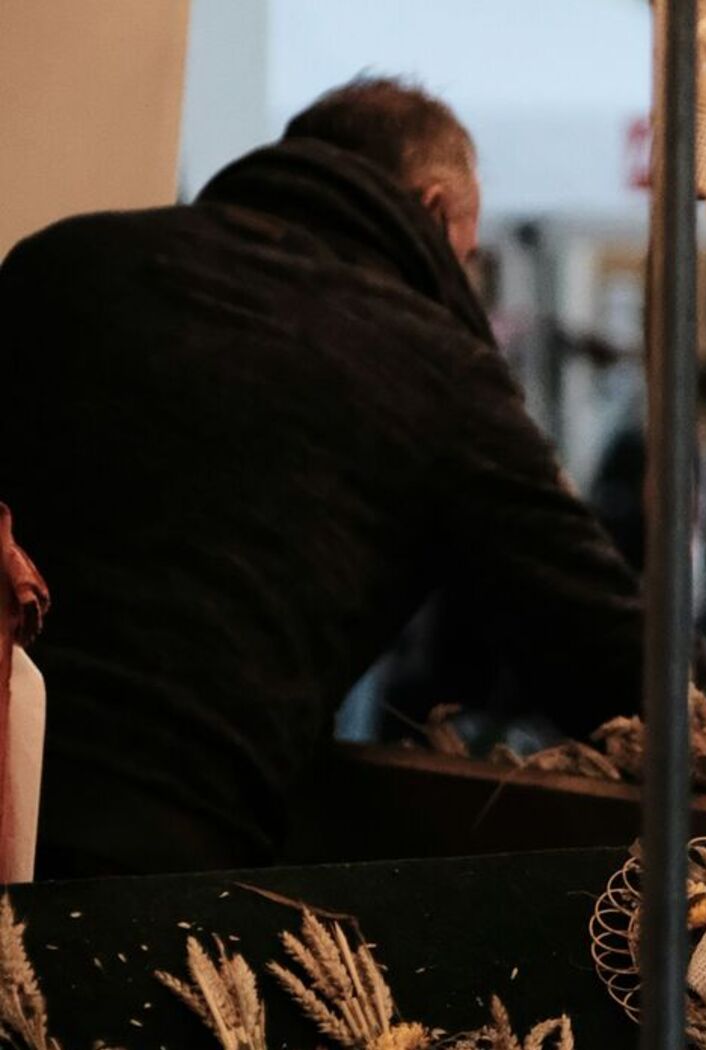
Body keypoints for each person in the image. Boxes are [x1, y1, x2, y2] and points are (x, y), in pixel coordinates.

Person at [0, 78, 662, 878]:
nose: (467, 280)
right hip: (162, 852)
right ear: (431, 209)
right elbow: (608, 658)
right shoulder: (435, 369)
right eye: (469, 253)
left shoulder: (60, 260)